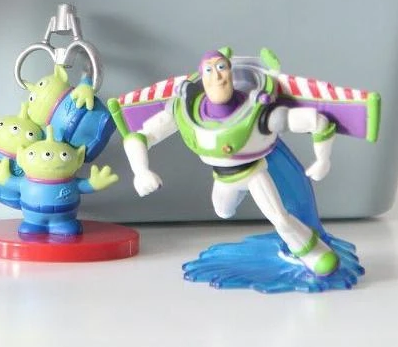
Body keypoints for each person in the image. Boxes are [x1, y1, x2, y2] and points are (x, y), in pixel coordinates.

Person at [120, 48, 339, 276]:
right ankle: (241, 194)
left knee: (280, 218)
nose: (217, 76)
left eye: (221, 67)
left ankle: (315, 254)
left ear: (231, 72)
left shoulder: (258, 111)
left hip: (254, 173)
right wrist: (141, 171)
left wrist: (323, 159)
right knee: (223, 211)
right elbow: (139, 137)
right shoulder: (184, 111)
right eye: (209, 70)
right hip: (223, 178)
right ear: (202, 77)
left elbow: (317, 121)